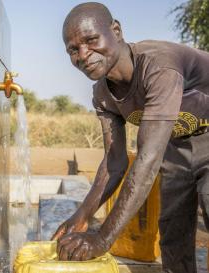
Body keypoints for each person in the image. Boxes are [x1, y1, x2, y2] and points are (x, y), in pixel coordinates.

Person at [51, 2, 209, 273]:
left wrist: (102, 239)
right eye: (73, 50)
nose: (84, 54)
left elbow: (146, 159)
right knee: (172, 233)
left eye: (91, 40)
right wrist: (82, 215)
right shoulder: (102, 94)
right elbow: (114, 163)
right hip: (176, 144)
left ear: (116, 30)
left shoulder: (158, 65)